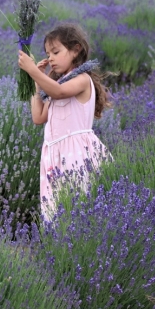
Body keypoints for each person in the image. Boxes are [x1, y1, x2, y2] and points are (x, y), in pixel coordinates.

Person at [18, 22, 113, 220]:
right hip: (54, 155)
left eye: (55, 51)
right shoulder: (58, 84)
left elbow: (59, 92)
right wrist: (37, 83)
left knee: (78, 208)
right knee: (56, 212)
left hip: (76, 155)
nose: (50, 58)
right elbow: (38, 117)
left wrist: (32, 70)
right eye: (47, 53)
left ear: (75, 50)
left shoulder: (82, 80)